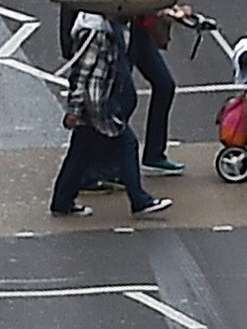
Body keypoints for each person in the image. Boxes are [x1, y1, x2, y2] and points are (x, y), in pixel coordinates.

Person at [49, 13, 170, 218]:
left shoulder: (105, 26)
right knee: (127, 144)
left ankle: (62, 202)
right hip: (97, 102)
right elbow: (81, 73)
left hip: (97, 99)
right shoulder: (94, 32)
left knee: (80, 151)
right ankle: (140, 201)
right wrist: (74, 110)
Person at [127, 3, 182, 171]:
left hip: (138, 29)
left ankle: (154, 154)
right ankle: (106, 162)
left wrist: (168, 8)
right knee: (120, 96)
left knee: (165, 85)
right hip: (122, 27)